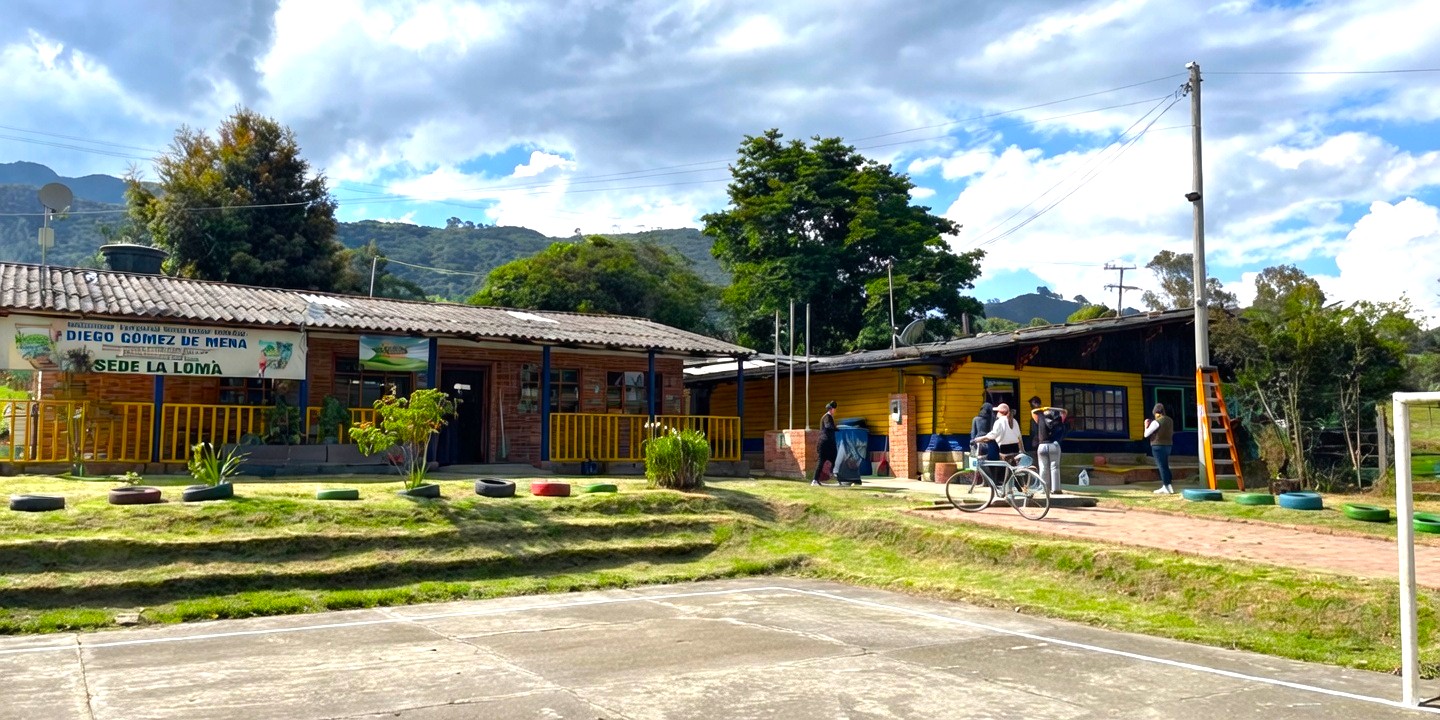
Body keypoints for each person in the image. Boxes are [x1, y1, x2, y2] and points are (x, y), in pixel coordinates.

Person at [1029, 396, 1068, 494]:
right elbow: (1065, 412)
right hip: (1054, 445)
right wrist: (1055, 409)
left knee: (1043, 467)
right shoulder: (1059, 419)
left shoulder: (1040, 418)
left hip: (1042, 445)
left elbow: (1032, 412)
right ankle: (1056, 489)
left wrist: (1042, 409)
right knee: (1055, 467)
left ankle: (1044, 489)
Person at [1145, 402, 1175, 494]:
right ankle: (1168, 486)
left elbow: (1146, 434)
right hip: (1168, 445)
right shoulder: (1170, 420)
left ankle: (1166, 486)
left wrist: (1146, 425)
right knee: (1165, 465)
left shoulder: (1156, 422)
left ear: (1155, 413)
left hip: (1158, 446)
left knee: (1161, 466)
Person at [812, 400, 838, 486]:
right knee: (821, 461)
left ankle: (832, 473)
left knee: (834, 457)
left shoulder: (828, 417)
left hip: (828, 444)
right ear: (831, 409)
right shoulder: (827, 417)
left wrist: (836, 428)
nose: (835, 411)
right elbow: (828, 426)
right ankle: (815, 480)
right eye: (834, 409)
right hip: (824, 443)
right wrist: (835, 428)